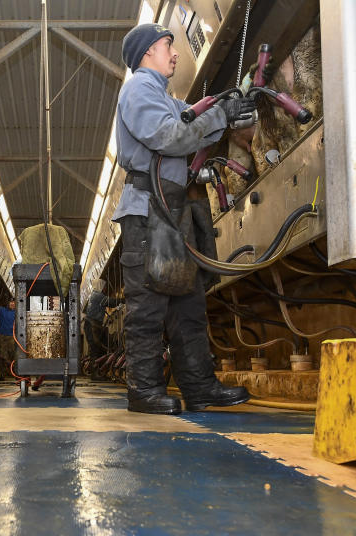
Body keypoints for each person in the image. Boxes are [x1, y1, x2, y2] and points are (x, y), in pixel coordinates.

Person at [114, 23, 252, 415]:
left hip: (171, 209)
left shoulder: (164, 96)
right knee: (148, 306)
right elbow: (170, 136)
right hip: (148, 209)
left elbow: (190, 123)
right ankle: (143, 390)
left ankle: (199, 385)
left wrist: (222, 111)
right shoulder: (140, 88)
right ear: (146, 54)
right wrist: (216, 118)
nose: (174, 53)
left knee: (187, 302)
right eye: (166, 45)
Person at [83, 279, 123, 375]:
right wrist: (124, 300)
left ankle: (95, 372)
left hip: (91, 325)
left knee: (95, 349)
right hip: (92, 325)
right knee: (95, 349)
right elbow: (111, 302)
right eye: (104, 287)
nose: (105, 289)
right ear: (100, 286)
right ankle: (95, 373)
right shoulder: (97, 296)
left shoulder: (93, 295)